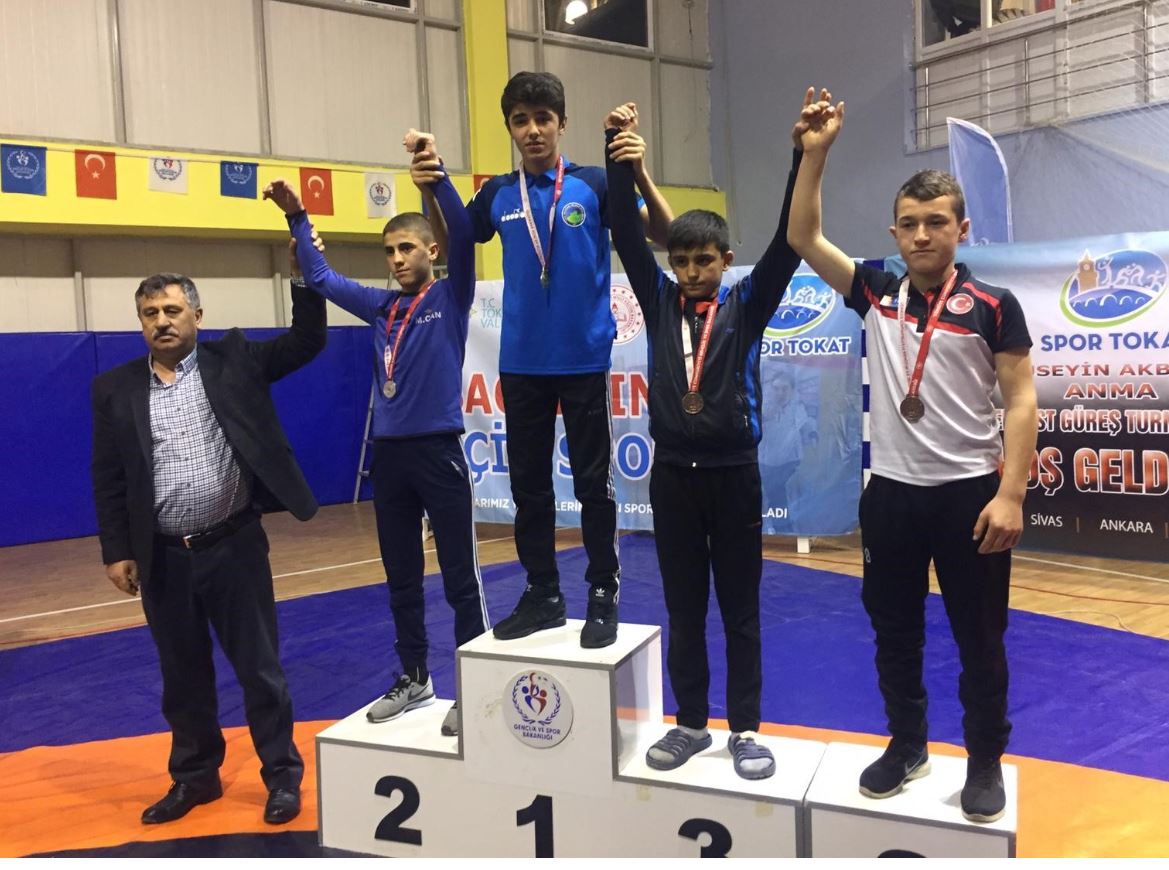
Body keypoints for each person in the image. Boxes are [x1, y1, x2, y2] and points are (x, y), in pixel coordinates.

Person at [786, 89, 1039, 823]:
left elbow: (1021, 400)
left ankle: (984, 758)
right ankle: (907, 744)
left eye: (936, 222)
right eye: (909, 224)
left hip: (969, 496)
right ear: (893, 231)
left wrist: (1011, 494)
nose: (922, 235)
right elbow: (803, 236)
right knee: (893, 630)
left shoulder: (993, 305)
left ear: (961, 228)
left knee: (979, 639)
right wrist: (815, 154)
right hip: (891, 495)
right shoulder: (874, 289)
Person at [412, 73, 673, 649]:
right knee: (529, 488)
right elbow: (452, 244)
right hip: (522, 362)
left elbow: (661, 233)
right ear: (509, 127)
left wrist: (638, 170)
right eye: (520, 120)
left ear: (561, 123)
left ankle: (602, 592)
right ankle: (543, 594)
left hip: (582, 360)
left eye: (543, 119)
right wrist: (431, 189)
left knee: (593, 487)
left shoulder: (594, 183)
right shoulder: (497, 194)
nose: (532, 130)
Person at [604, 95, 807, 779]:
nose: (692, 271)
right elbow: (625, 231)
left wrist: (801, 155)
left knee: (740, 612)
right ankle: (691, 724)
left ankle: (744, 729)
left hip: (733, 476)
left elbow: (787, 240)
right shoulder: (659, 299)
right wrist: (619, 153)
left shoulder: (748, 304)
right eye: (683, 261)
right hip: (673, 479)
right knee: (684, 609)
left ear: (726, 260)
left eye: (704, 261)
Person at [261, 133, 489, 739]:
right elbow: (319, 276)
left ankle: (476, 687)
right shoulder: (380, 307)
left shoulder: (451, 296)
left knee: (461, 578)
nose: (396, 259)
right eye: (389, 251)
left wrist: (435, 178)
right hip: (390, 460)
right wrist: (297, 215)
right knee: (401, 577)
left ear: (432, 251)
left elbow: (467, 235)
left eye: (407, 248)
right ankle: (415, 677)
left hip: (438, 452)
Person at [90, 261, 326, 826]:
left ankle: (281, 777)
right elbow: (109, 476)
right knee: (183, 677)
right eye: (150, 314)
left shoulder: (235, 362)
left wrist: (304, 277)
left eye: (172, 310)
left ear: (197, 315)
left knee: (259, 670)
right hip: (163, 557)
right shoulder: (114, 389)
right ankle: (196, 778)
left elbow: (308, 340)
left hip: (234, 546)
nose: (161, 322)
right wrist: (117, 550)